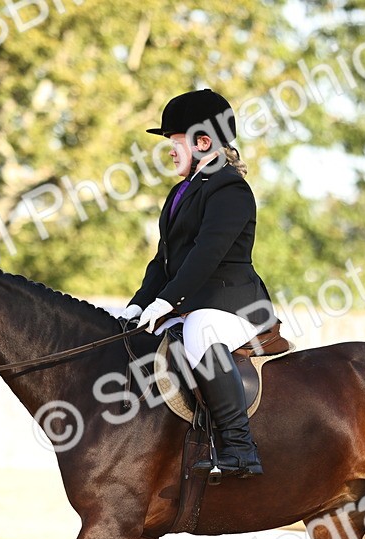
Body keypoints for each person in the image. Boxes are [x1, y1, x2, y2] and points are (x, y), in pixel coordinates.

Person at [119, 89, 277, 478]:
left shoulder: (230, 189)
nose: (171, 153)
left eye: (175, 143)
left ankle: (240, 449)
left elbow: (207, 253)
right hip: (191, 302)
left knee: (199, 329)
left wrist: (167, 301)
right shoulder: (180, 192)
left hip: (234, 308)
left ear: (203, 142)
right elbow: (163, 260)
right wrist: (139, 303)